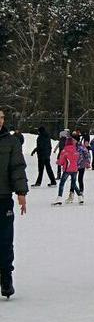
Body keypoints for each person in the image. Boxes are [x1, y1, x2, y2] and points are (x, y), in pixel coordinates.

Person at [0, 109, 28, 298]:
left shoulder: (11, 142)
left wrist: (21, 192)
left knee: (4, 239)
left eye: (1, 118)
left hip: (3, 198)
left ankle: (5, 275)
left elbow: (17, 167)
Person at [53, 134, 80, 205]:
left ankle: (59, 198)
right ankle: (80, 197)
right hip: (74, 169)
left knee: (62, 183)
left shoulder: (64, 150)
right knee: (73, 184)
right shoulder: (75, 150)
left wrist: (58, 162)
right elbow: (77, 159)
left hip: (67, 170)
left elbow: (61, 161)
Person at [76, 133, 91, 199]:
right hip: (75, 165)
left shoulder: (82, 147)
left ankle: (81, 191)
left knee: (80, 178)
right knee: (75, 179)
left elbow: (87, 155)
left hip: (81, 165)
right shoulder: (74, 146)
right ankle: (73, 192)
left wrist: (87, 163)